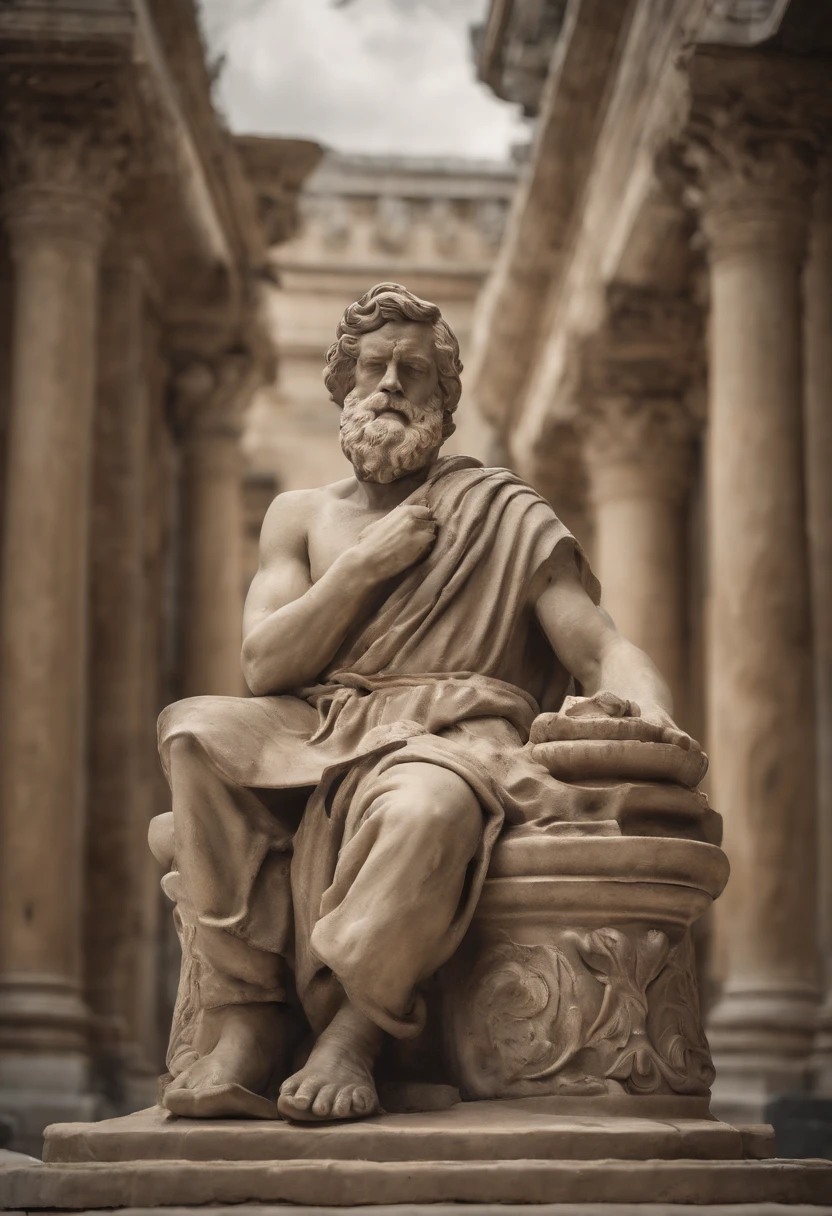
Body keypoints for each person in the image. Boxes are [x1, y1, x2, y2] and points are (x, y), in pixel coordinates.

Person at [157, 282, 698, 1123]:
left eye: (414, 372)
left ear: (445, 405)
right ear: (342, 386)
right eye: (373, 367)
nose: (390, 385)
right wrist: (366, 567)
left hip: (454, 729)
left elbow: (594, 642)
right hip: (326, 720)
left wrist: (651, 712)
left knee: (427, 808)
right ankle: (249, 1011)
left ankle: (356, 1031)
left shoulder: (501, 511)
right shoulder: (297, 517)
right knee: (193, 730)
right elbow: (265, 663)